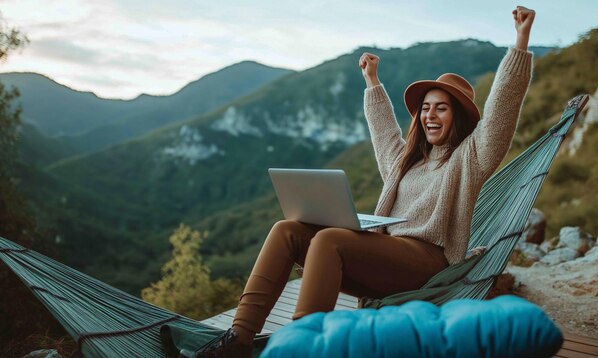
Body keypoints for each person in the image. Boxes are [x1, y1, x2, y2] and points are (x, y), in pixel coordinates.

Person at [187, 6, 536, 358]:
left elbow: (501, 111)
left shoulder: (470, 159)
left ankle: (304, 347)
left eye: (441, 108)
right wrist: (373, 81)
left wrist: (519, 44)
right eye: (426, 108)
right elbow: (384, 132)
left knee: (330, 239)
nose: (430, 115)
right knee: (287, 230)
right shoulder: (404, 162)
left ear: (458, 116)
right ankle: (238, 338)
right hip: (384, 258)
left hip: (427, 263)